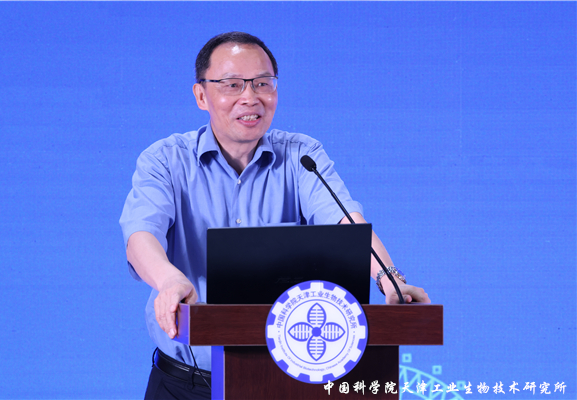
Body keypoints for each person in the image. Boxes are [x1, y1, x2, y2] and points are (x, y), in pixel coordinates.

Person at [119, 31, 430, 400]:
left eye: (263, 83)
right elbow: (141, 235)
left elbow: (346, 223)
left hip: (282, 382)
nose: (250, 97)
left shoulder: (302, 156)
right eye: (232, 84)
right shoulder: (165, 160)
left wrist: (389, 279)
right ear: (201, 95)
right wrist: (170, 280)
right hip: (185, 385)